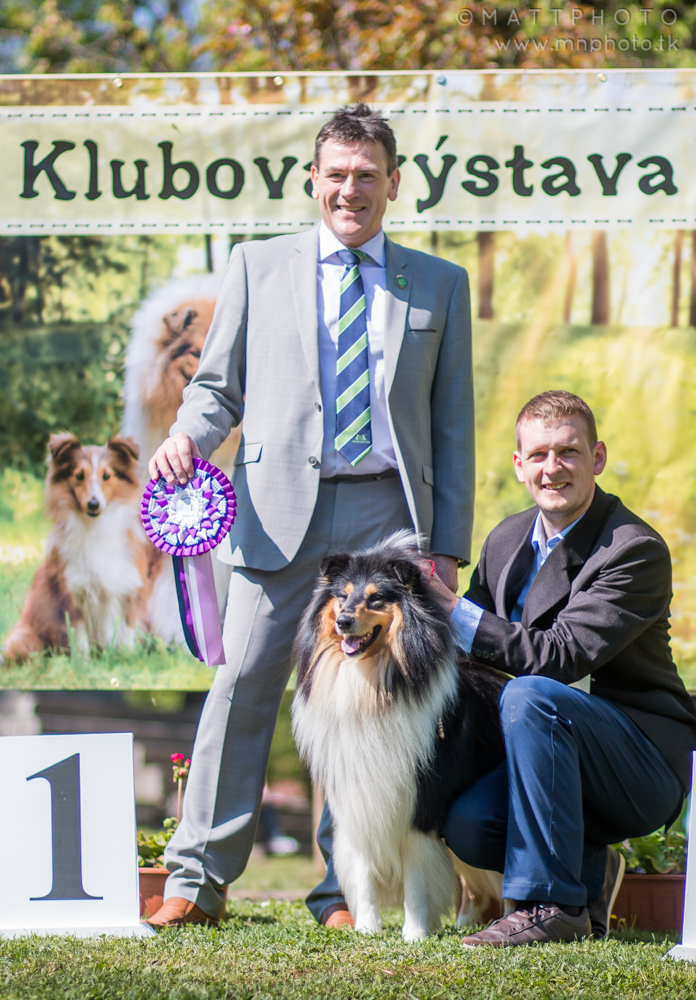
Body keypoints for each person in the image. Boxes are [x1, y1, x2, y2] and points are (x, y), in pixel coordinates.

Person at [145, 103, 475, 928]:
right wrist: (187, 439)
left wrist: (446, 546)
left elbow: (451, 424)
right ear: (313, 181)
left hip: (388, 518)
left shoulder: (440, 282)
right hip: (274, 510)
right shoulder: (257, 266)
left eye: (367, 175)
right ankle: (195, 882)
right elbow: (217, 389)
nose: (350, 190)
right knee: (242, 687)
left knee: (365, 710)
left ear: (394, 183)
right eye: (336, 175)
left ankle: (343, 892)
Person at [431, 390, 696, 946]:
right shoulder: (506, 538)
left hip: (639, 763)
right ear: (518, 465)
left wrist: (451, 609)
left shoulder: (633, 548)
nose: (553, 468)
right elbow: (467, 652)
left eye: (568, 452)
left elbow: (559, 657)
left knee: (530, 693)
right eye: (538, 455)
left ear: (597, 458)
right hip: (547, 758)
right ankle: (589, 871)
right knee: (470, 825)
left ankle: (551, 907)